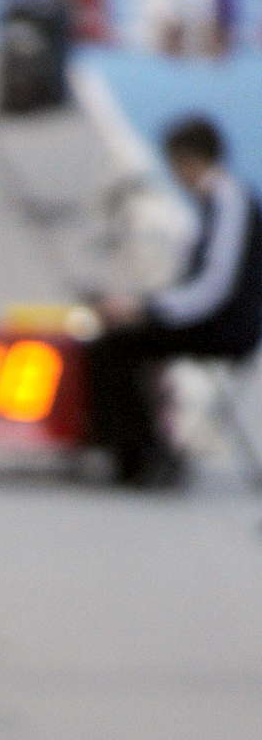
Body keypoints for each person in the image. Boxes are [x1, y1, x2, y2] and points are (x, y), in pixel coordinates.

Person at [89, 113, 262, 487]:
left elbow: (215, 287)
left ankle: (138, 456)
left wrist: (148, 309)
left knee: (113, 347)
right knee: (123, 338)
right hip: (212, 318)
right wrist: (146, 307)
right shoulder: (216, 201)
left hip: (227, 327)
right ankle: (143, 448)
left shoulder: (229, 201)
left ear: (187, 160)